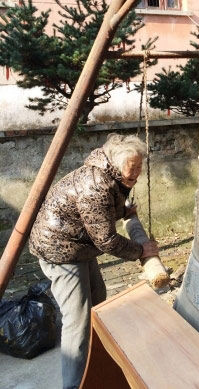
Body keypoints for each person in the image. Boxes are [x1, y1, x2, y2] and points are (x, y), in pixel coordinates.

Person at [29, 133, 159, 389]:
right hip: (61, 252)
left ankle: (97, 368)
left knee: (98, 305)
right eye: (132, 169)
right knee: (78, 323)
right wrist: (141, 250)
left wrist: (124, 211)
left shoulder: (112, 176)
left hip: (79, 247)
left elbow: (100, 212)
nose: (137, 173)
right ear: (116, 163)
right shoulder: (95, 185)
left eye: (139, 166)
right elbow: (106, 239)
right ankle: (75, 385)